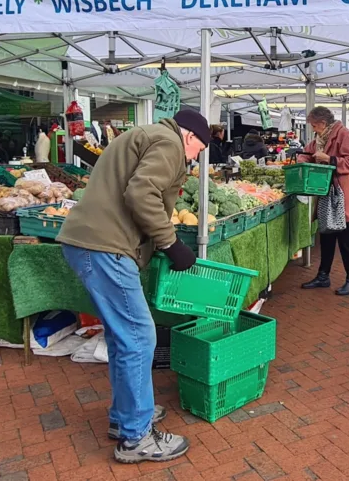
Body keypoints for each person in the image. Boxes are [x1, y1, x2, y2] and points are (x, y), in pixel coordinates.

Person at [56, 110, 209, 464]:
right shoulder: (170, 144)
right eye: (198, 150)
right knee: (139, 337)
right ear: (190, 137)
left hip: (92, 242)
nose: (194, 158)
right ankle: (137, 437)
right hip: (105, 247)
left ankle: (126, 417)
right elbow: (142, 192)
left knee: (123, 336)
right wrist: (171, 243)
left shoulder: (147, 134)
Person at [299, 106, 349, 296]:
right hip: (328, 194)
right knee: (327, 236)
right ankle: (323, 276)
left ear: (323, 123)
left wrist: (329, 159)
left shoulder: (344, 135)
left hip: (343, 195)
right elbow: (308, 152)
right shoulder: (320, 138)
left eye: (314, 125)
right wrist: (303, 159)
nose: (312, 129)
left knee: (346, 240)